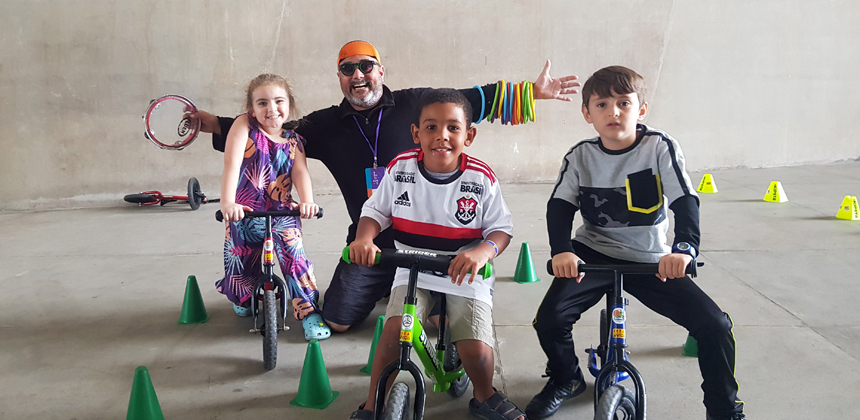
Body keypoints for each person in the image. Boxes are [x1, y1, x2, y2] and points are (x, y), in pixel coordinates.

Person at [191, 40, 580, 333]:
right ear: (340, 77)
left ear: (381, 71)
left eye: (366, 66)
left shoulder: (416, 104)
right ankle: (387, 285)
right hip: (372, 240)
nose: (358, 75)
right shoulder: (324, 125)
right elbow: (271, 127)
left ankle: (428, 292)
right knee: (339, 321)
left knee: (443, 325)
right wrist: (211, 123)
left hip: (436, 241)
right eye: (348, 69)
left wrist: (531, 91)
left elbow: (467, 100)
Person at [526, 66, 746, 420]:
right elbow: (560, 206)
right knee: (550, 319)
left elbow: (684, 200)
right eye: (601, 104)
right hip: (592, 253)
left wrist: (684, 249)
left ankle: (724, 409)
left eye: (623, 103)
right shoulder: (580, 156)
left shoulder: (658, 147)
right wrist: (561, 250)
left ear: (640, 109)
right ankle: (566, 378)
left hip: (650, 259)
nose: (613, 112)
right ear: (587, 114)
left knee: (714, 325)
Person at [347, 88, 520, 420]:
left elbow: (501, 228)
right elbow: (375, 211)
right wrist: (364, 239)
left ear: (468, 135)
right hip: (413, 267)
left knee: (477, 353)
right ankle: (373, 403)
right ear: (416, 133)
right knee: (394, 333)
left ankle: (484, 395)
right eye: (431, 127)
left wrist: (483, 252)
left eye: (453, 128)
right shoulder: (400, 168)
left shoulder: (480, 178)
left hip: (463, 270)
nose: (442, 136)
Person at [217, 73, 331, 341]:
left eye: (278, 102)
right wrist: (227, 203)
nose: (271, 109)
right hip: (245, 211)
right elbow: (232, 164)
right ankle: (243, 297)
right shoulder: (244, 126)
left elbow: (300, 172)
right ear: (252, 109)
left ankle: (308, 310)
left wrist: (307, 201)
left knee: (295, 258)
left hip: (282, 212)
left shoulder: (294, 140)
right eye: (262, 103)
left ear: (288, 106)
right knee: (241, 262)